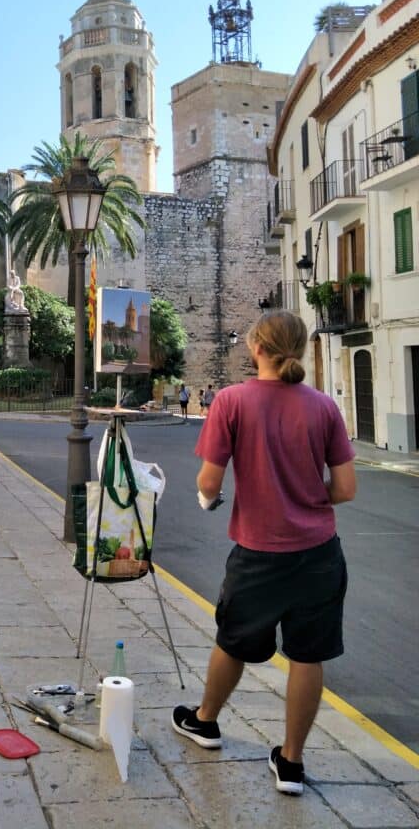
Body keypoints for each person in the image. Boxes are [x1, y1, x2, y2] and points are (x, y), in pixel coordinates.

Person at [171, 310, 356, 797]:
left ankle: (206, 722)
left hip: (257, 554)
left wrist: (210, 499)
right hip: (319, 554)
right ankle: (291, 763)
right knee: (307, 656)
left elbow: (208, 483)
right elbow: (346, 488)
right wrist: (309, 498)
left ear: (255, 348)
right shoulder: (323, 408)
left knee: (233, 640)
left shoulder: (230, 401)